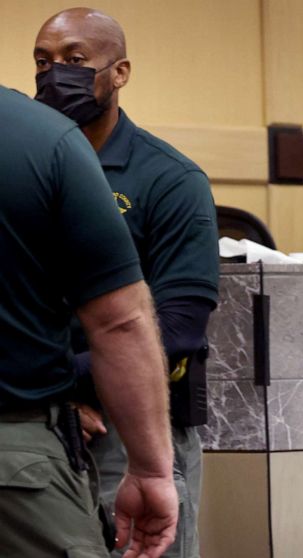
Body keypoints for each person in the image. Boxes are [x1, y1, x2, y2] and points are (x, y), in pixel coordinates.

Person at [33, 9, 219, 557]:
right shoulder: (27, 165)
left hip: (130, 428)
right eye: (43, 62)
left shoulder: (169, 178)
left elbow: (178, 329)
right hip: (43, 426)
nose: (53, 75)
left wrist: (63, 383)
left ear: (120, 72)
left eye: (74, 60)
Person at [0, 84, 178, 557]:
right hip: (14, 465)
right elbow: (120, 322)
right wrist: (151, 470)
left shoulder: (169, 176)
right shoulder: (43, 138)